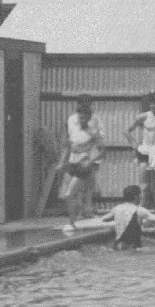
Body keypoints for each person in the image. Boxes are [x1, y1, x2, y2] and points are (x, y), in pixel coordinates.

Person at [59, 94, 105, 232]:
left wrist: (91, 161)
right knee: (66, 195)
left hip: (84, 165)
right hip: (72, 163)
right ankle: (78, 214)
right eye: (80, 117)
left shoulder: (93, 130)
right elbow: (68, 145)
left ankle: (73, 222)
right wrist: (62, 162)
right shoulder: (72, 123)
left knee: (70, 194)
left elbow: (102, 150)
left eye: (85, 117)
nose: (82, 119)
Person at [90, 184, 155, 249]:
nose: (141, 197)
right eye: (140, 195)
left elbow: (103, 219)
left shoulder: (116, 209)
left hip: (117, 246)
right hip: (132, 248)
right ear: (136, 197)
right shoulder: (139, 210)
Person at [125, 91, 155, 211]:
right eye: (152, 103)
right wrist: (134, 144)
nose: (154, 106)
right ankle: (141, 210)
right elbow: (127, 131)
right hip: (145, 152)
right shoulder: (143, 116)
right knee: (144, 185)